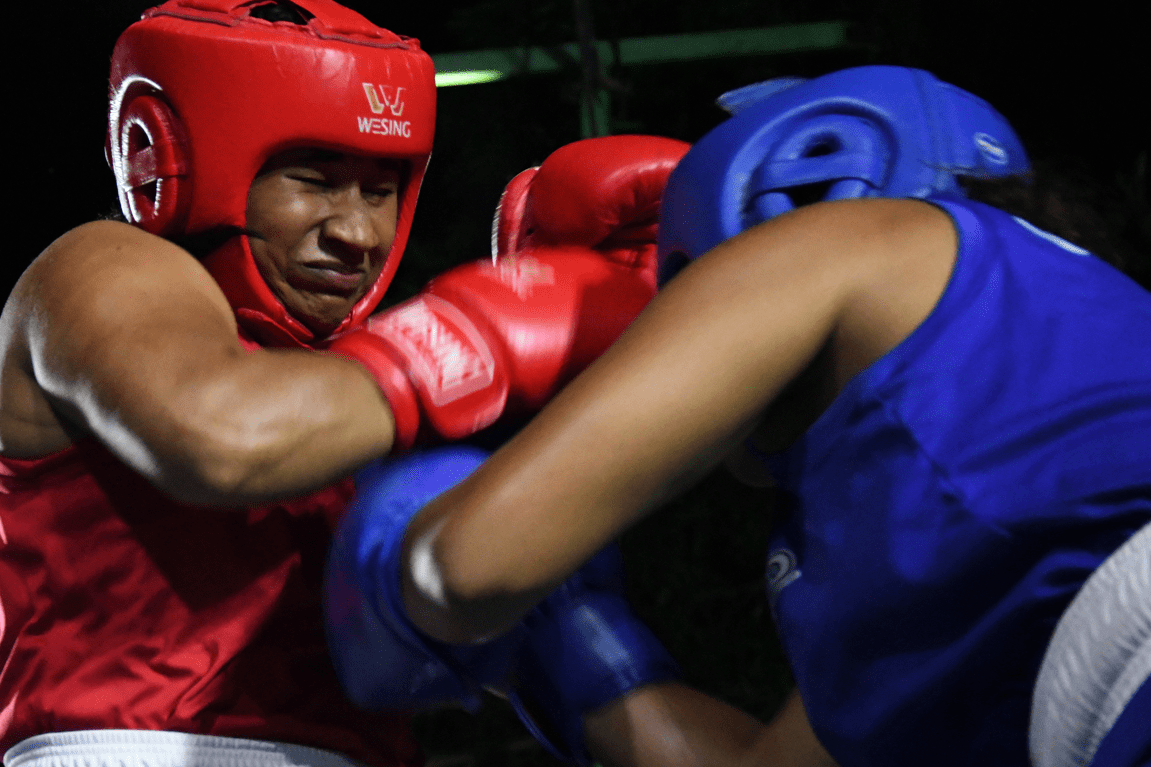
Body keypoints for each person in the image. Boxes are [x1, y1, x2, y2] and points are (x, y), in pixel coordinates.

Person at [329, 66, 1151, 766]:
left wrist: (418, 541)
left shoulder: (858, 236)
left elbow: (469, 565)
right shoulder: (919, 523)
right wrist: (573, 643)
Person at [0, 0, 698, 767]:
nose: (357, 232)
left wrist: (593, 354)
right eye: (315, 181)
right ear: (182, 165)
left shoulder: (350, 389)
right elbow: (225, 437)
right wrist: (488, 328)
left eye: (380, 191)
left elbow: (467, 615)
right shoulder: (105, 267)